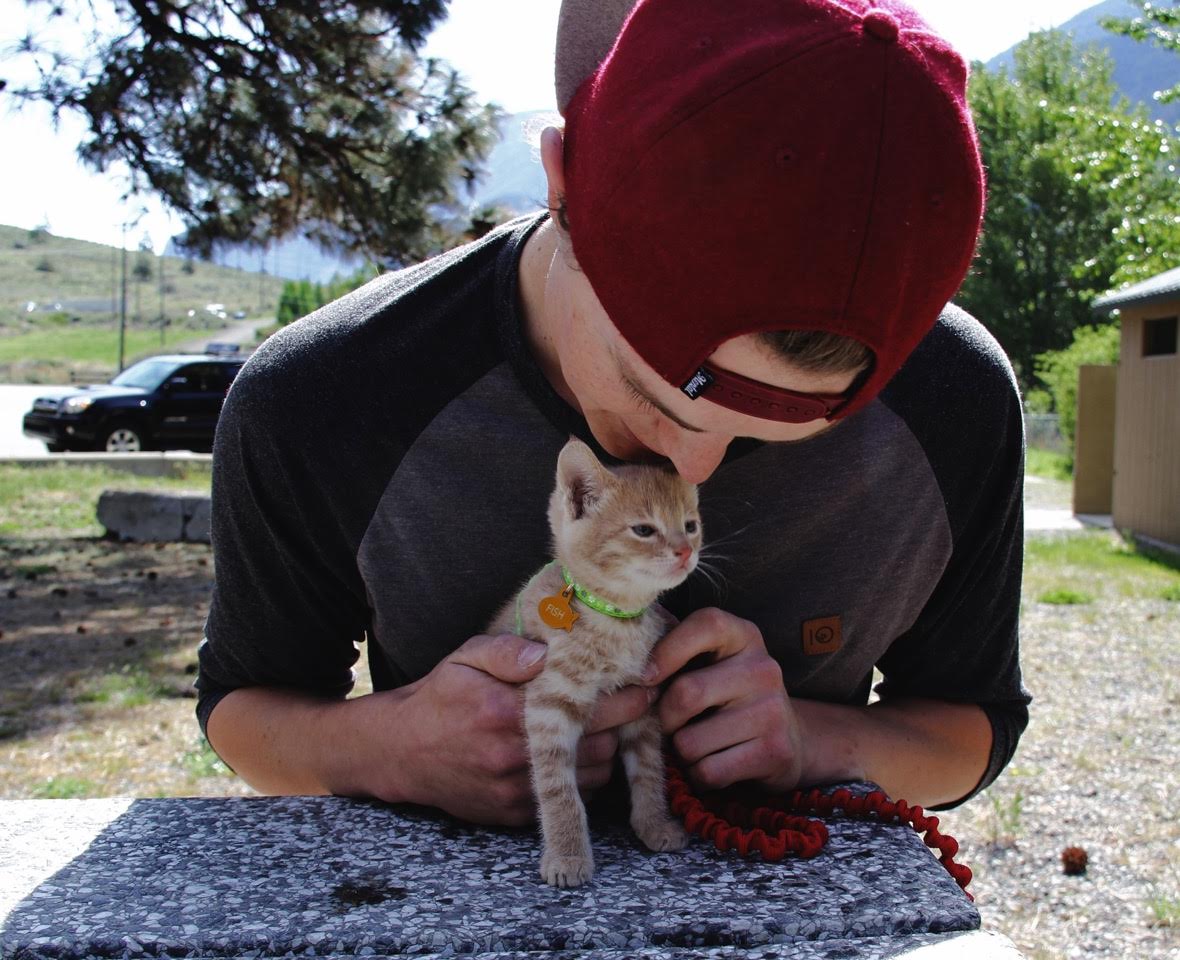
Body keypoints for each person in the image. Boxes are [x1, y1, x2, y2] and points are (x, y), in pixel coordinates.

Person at [196, 0, 1030, 826]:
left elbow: (971, 726)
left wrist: (816, 740)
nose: (693, 470)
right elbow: (242, 710)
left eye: (768, 436)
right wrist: (393, 747)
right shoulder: (325, 393)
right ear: (562, 190)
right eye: (651, 392)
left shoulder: (955, 400)